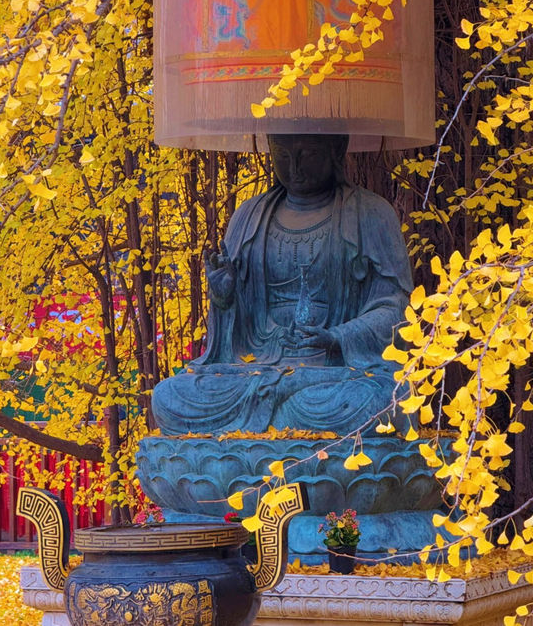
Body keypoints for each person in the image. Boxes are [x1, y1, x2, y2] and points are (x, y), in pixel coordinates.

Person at [152, 134, 413, 435]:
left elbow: (396, 307)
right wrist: (226, 298)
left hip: (334, 373)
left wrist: (338, 337)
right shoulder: (248, 217)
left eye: (308, 154)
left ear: (336, 149)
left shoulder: (370, 213)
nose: (295, 168)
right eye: (283, 156)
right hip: (257, 367)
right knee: (169, 397)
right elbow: (231, 341)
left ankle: (273, 418)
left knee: (376, 402)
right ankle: (279, 413)